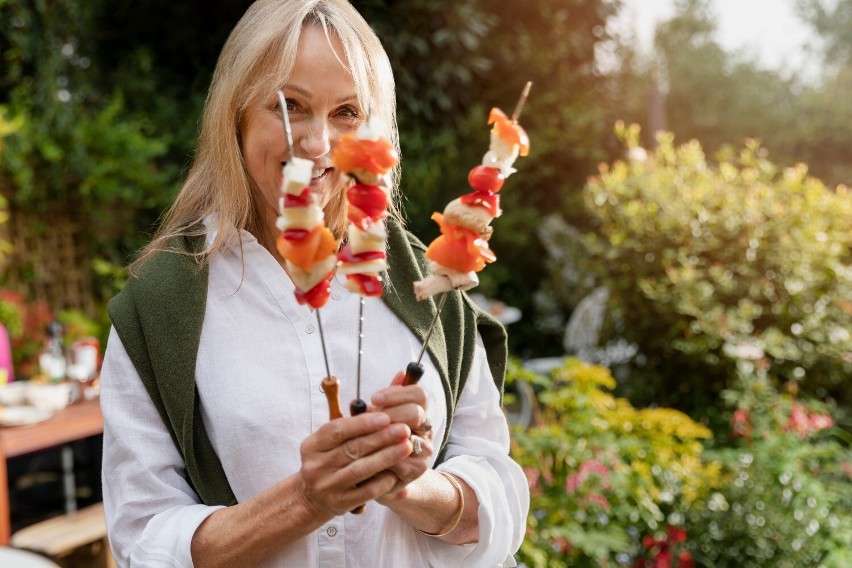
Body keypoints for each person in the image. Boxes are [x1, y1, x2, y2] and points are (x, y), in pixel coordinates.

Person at [99, 0, 529, 566]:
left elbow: (500, 499)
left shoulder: (429, 285)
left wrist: (408, 486)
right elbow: (142, 535)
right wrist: (306, 500)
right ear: (237, 115)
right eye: (292, 106)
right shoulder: (161, 305)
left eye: (347, 111)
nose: (318, 144)